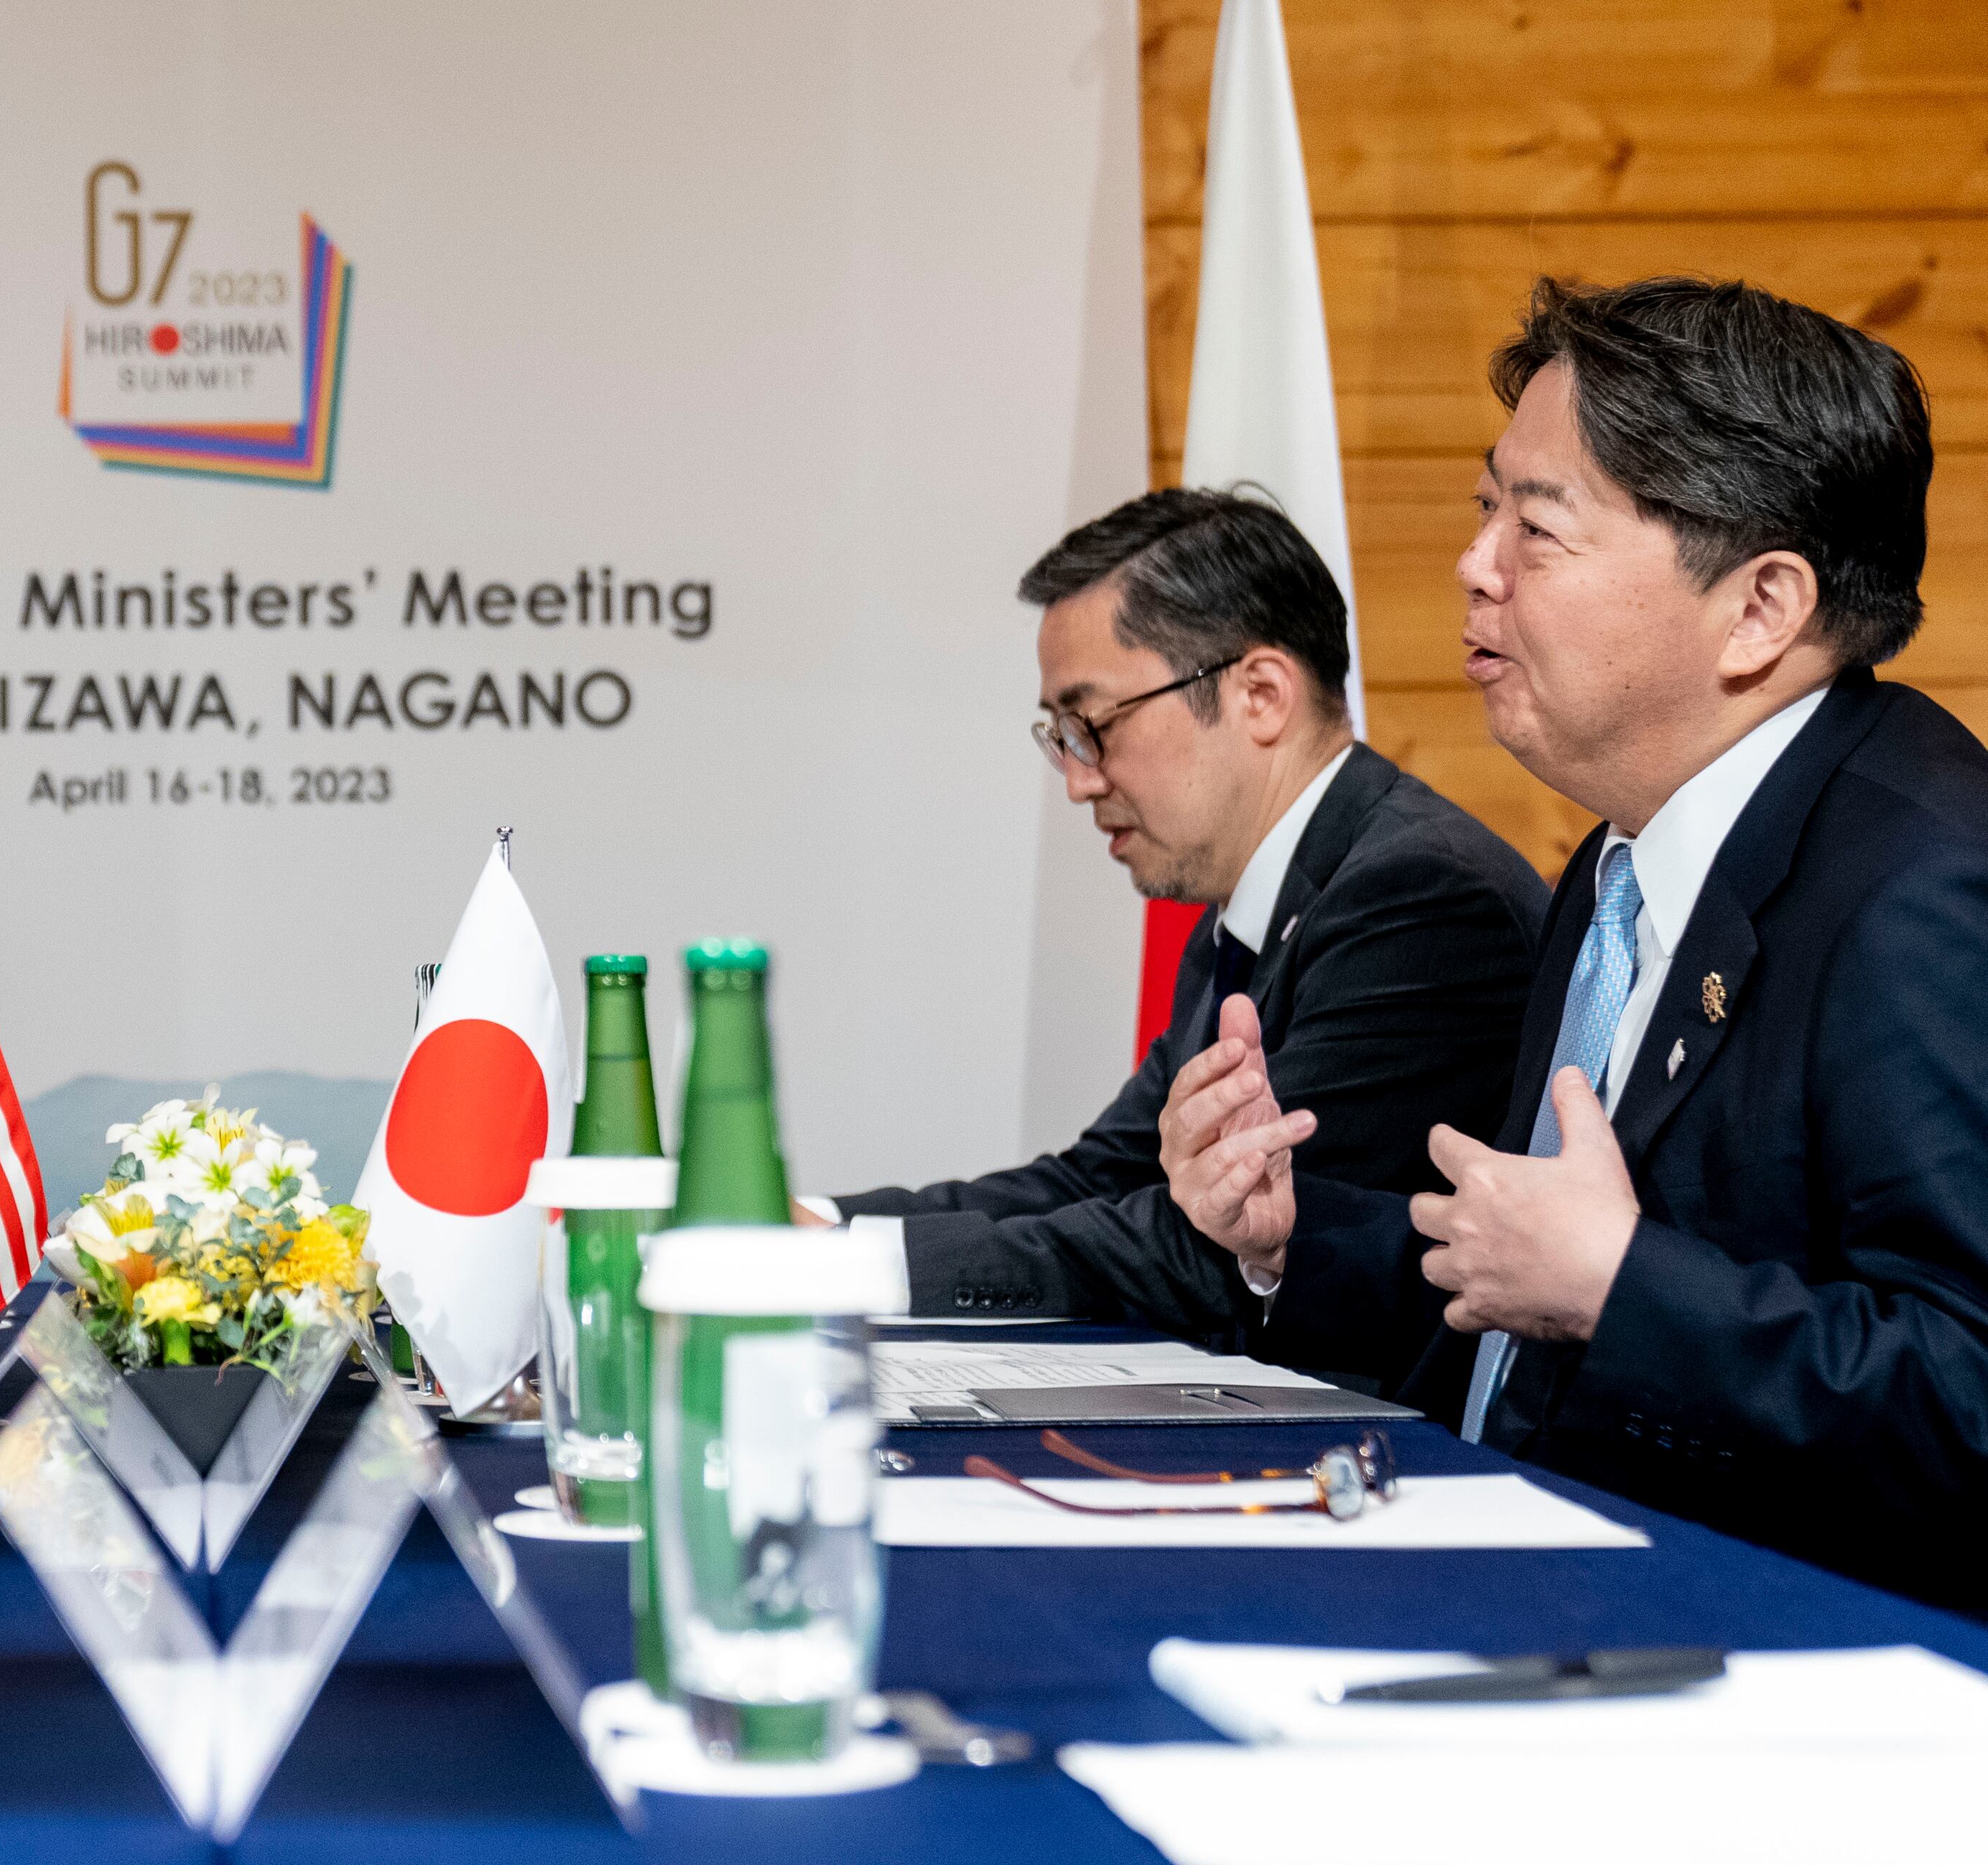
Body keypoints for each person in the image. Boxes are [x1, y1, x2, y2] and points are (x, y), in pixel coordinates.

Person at [1165, 276, 1988, 1611]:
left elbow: (1966, 1398)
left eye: (1537, 529)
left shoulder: (1925, 890)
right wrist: (1290, 1234)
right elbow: (1524, 1306)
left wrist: (1622, 1284)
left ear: (1762, 608)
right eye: (1487, 506)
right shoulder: (1622, 855)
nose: (1473, 563)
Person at [817, 488, 1546, 1343]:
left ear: (1261, 695)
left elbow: (1215, 1241)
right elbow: (1104, 1175)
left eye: (1091, 725)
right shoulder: (1245, 911)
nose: (1078, 779)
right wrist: (816, 1225)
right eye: (1058, 736)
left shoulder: (1419, 900)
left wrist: (847, 1265)